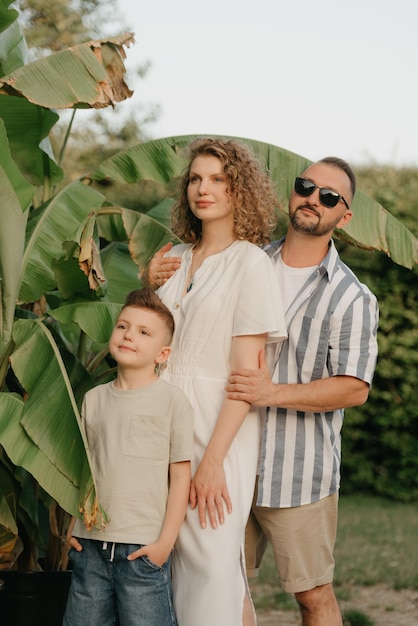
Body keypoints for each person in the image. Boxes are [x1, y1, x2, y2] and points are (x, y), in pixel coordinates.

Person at [148, 156, 379, 626]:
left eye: (329, 196)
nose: (314, 199)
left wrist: (272, 392)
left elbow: (354, 388)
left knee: (312, 594)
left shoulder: (351, 296)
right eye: (306, 186)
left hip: (294, 465)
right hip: (225, 446)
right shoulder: (247, 258)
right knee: (227, 584)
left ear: (344, 215)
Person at [145, 137, 287, 626]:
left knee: (210, 565)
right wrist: (148, 284)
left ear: (239, 191)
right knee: (165, 563)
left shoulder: (250, 262)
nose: (203, 189)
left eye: (218, 179)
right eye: (195, 179)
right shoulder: (175, 259)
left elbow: (248, 375)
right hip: (160, 419)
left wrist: (211, 464)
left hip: (216, 426)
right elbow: (144, 341)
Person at [63, 287, 194, 626]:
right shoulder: (93, 399)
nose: (128, 335)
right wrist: (70, 527)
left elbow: (180, 477)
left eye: (143, 332)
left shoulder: (172, 401)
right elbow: (82, 471)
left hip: (141, 550)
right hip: (89, 546)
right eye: (123, 326)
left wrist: (165, 543)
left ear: (162, 354)